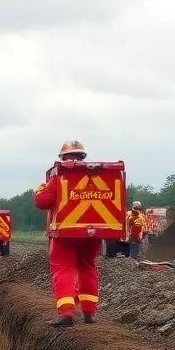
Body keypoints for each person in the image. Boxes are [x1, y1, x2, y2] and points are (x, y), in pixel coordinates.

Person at [33, 139, 100, 326]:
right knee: (88, 268)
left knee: (63, 269)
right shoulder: (98, 178)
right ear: (82, 157)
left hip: (65, 233)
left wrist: (39, 190)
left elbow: (42, 202)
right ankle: (89, 313)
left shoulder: (59, 178)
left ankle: (66, 313)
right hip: (92, 234)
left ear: (63, 158)